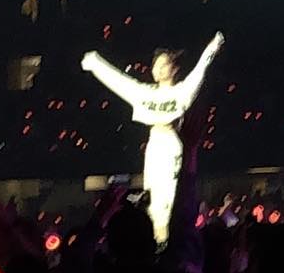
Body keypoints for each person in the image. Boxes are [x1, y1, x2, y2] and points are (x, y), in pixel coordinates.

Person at [82, 31, 225, 245]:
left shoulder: (181, 92)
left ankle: (169, 241)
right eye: (156, 65)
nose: (158, 69)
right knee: (154, 197)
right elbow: (119, 81)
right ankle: (156, 241)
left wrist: (212, 47)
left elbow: (200, 70)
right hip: (154, 145)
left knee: (170, 196)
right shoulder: (145, 93)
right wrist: (96, 63)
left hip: (172, 144)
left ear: (174, 69)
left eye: (164, 64)